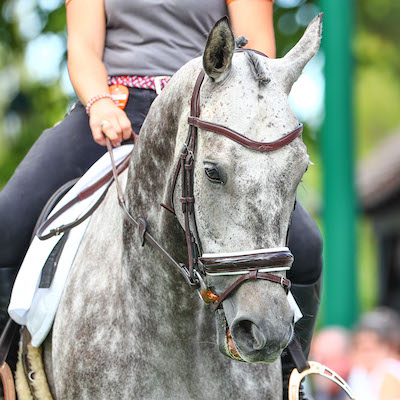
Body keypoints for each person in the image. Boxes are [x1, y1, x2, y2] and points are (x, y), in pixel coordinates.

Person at [0, 1, 322, 398]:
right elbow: (83, 49)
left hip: (211, 113)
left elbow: (256, 57)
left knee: (306, 244)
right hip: (117, 108)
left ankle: (292, 381)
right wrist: (99, 102)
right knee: (9, 219)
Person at [348, 307, 400, 400]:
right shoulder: (358, 371)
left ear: (386, 348)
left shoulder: (391, 372)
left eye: (369, 349)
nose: (365, 355)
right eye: (360, 348)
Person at [309, 327, 353, 399]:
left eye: (325, 361)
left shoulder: (358, 386)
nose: (318, 370)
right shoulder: (316, 391)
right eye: (316, 360)